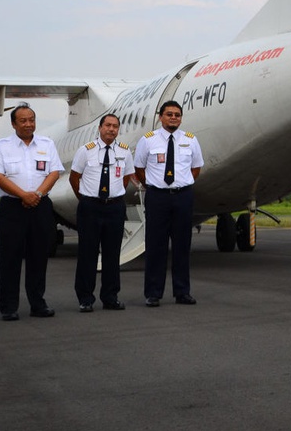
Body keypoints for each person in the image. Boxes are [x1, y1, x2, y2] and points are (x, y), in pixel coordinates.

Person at [0, 104, 64, 321]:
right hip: (12, 207)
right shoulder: (1, 146)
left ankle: (38, 303)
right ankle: (8, 306)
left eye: (32, 119)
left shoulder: (47, 144)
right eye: (23, 120)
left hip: (40, 206)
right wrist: (24, 195)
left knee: (39, 257)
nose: (28, 124)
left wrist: (37, 195)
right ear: (13, 123)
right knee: (9, 257)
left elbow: (54, 173)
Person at [134, 100, 203, 307]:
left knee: (182, 245)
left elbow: (196, 168)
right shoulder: (148, 141)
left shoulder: (190, 140)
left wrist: (182, 184)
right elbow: (139, 168)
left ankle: (182, 292)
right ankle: (153, 293)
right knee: (156, 245)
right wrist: (154, 185)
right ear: (160, 117)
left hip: (183, 196)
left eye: (177, 115)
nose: (174, 118)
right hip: (158, 197)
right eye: (169, 114)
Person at [69, 113, 135, 312]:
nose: (111, 129)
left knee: (112, 254)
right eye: (108, 125)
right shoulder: (85, 151)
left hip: (114, 207)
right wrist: (86, 198)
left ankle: (110, 296)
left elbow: (125, 178)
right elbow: (74, 178)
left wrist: (113, 196)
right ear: (100, 128)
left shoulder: (125, 152)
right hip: (90, 207)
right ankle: (85, 298)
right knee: (87, 253)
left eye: (115, 126)